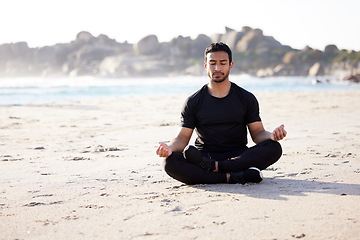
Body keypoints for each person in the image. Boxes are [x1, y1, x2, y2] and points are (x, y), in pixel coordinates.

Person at [156, 42, 287, 185]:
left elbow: (257, 133)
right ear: (205, 66)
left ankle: (216, 169)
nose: (217, 68)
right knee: (170, 162)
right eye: (212, 63)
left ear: (230, 65)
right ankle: (234, 177)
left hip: (238, 157)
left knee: (274, 148)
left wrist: (271, 136)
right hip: (204, 157)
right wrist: (169, 148)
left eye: (222, 63)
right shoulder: (193, 101)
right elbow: (182, 138)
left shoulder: (246, 98)